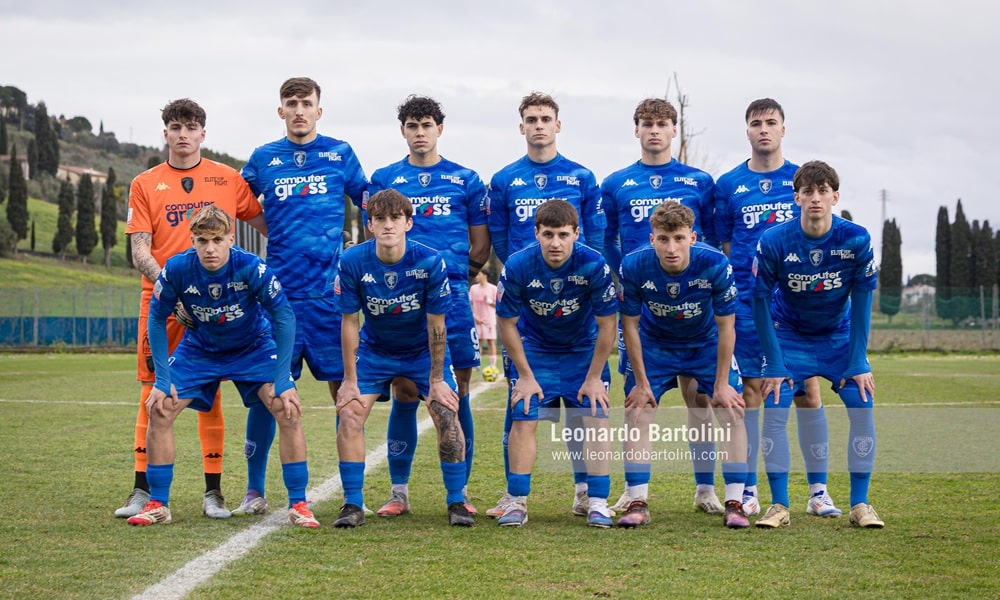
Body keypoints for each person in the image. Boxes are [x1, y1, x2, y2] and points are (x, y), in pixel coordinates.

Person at [118, 98, 268, 519]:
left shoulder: (228, 178)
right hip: (164, 305)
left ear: (204, 133)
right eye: (175, 126)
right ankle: (141, 488)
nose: (183, 134)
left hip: (218, 305)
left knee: (211, 388)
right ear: (165, 133)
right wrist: (177, 292)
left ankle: (213, 492)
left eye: (191, 127)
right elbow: (139, 250)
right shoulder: (145, 183)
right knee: (152, 391)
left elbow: (268, 226)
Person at [126, 206, 317, 529]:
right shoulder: (177, 269)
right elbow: (157, 318)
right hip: (201, 348)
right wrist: (163, 379)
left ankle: (298, 503)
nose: (210, 248)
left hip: (253, 347)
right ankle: (158, 503)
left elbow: (284, 317)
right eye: (202, 240)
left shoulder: (251, 268)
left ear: (231, 238)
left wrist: (283, 378)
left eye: (217, 239)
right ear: (193, 241)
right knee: (160, 408)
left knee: (287, 407)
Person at [237, 77, 368, 517]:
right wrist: (267, 230)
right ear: (280, 111)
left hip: (331, 298)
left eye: (305, 103)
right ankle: (255, 491)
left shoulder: (340, 153)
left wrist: (369, 256)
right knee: (267, 394)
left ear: (318, 110)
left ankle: (352, 496)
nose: (298, 110)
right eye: (290, 103)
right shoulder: (262, 159)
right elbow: (235, 203)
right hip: (278, 297)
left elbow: (370, 202)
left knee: (344, 391)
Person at [366, 95, 490, 518]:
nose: (420, 132)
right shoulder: (385, 178)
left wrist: (455, 276)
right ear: (402, 130)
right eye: (412, 125)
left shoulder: (465, 179)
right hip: (397, 299)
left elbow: (481, 242)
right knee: (404, 388)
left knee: (457, 391)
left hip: (451, 298)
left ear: (440, 129)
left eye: (427, 125)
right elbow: (374, 237)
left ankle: (462, 489)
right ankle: (398, 492)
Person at [713, 98, 838, 518]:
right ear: (746, 131)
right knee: (750, 391)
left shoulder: (802, 180)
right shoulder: (728, 184)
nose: (763, 129)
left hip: (796, 307)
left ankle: (818, 491)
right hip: (749, 305)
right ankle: (748, 489)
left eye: (771, 122)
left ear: (784, 129)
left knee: (806, 391)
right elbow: (728, 246)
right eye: (755, 123)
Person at [485, 91, 607, 519]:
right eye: (531, 119)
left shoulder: (581, 176)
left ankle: (583, 489)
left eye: (546, 118)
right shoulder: (503, 180)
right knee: (522, 399)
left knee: (581, 409)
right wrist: (525, 272)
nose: (539, 125)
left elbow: (594, 234)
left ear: (558, 125)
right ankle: (513, 493)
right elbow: (500, 239)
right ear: (521, 127)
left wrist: (577, 277)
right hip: (527, 299)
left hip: (576, 300)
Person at [601, 98, 725, 515]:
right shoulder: (616, 183)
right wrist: (624, 279)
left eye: (662, 124)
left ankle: (706, 489)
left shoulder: (700, 181)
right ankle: (635, 489)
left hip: (693, 308)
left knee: (700, 401)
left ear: (674, 130)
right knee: (638, 398)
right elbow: (607, 237)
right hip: (643, 303)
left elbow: (711, 238)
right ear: (636, 130)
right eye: (646, 124)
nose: (654, 131)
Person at [751, 160, 883, 529]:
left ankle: (861, 504)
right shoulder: (774, 240)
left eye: (823, 191)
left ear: (835, 197)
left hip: (837, 337)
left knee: (862, 403)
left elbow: (863, 302)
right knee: (775, 405)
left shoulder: (856, 238)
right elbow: (759, 301)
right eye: (807, 191)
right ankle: (779, 506)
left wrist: (858, 359)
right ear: (796, 197)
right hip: (789, 335)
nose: (815, 198)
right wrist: (774, 363)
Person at [333, 189, 473, 528]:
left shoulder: (429, 261)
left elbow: (436, 324)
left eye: (395, 218)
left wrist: (437, 381)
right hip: (375, 351)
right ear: (369, 225)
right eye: (379, 219)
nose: (387, 225)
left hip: (422, 352)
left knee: (447, 413)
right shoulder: (352, 261)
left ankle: (456, 500)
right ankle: (352, 503)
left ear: (408, 223)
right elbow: (350, 322)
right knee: (349, 413)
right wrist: (349, 381)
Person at [616, 202, 749, 529]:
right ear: (652, 239)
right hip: (654, 343)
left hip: (704, 343)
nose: (671, 248)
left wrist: (721, 384)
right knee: (638, 410)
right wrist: (642, 383)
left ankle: (733, 501)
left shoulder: (715, 263)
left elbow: (726, 325)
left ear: (692, 237)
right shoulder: (633, 265)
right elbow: (629, 325)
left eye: (678, 238)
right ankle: (637, 501)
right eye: (663, 239)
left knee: (728, 409)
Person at [494, 199, 619, 528]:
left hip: (583, 349)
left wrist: (593, 377)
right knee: (524, 416)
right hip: (536, 350)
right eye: (548, 234)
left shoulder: (593, 263)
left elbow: (608, 325)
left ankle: (596, 501)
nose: (555, 243)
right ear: (536, 233)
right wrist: (524, 375)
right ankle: (517, 501)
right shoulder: (519, 265)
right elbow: (505, 323)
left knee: (594, 415)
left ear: (577, 234)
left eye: (563, 235)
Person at [470, 269, 499, 369]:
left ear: (485, 276)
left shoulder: (493, 289)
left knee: (491, 342)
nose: (477, 277)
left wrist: (490, 301)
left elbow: (499, 305)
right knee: (478, 342)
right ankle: (477, 364)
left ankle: (493, 365)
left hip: (489, 320)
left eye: (479, 275)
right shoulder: (473, 288)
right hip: (477, 320)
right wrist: (474, 316)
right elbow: (470, 304)